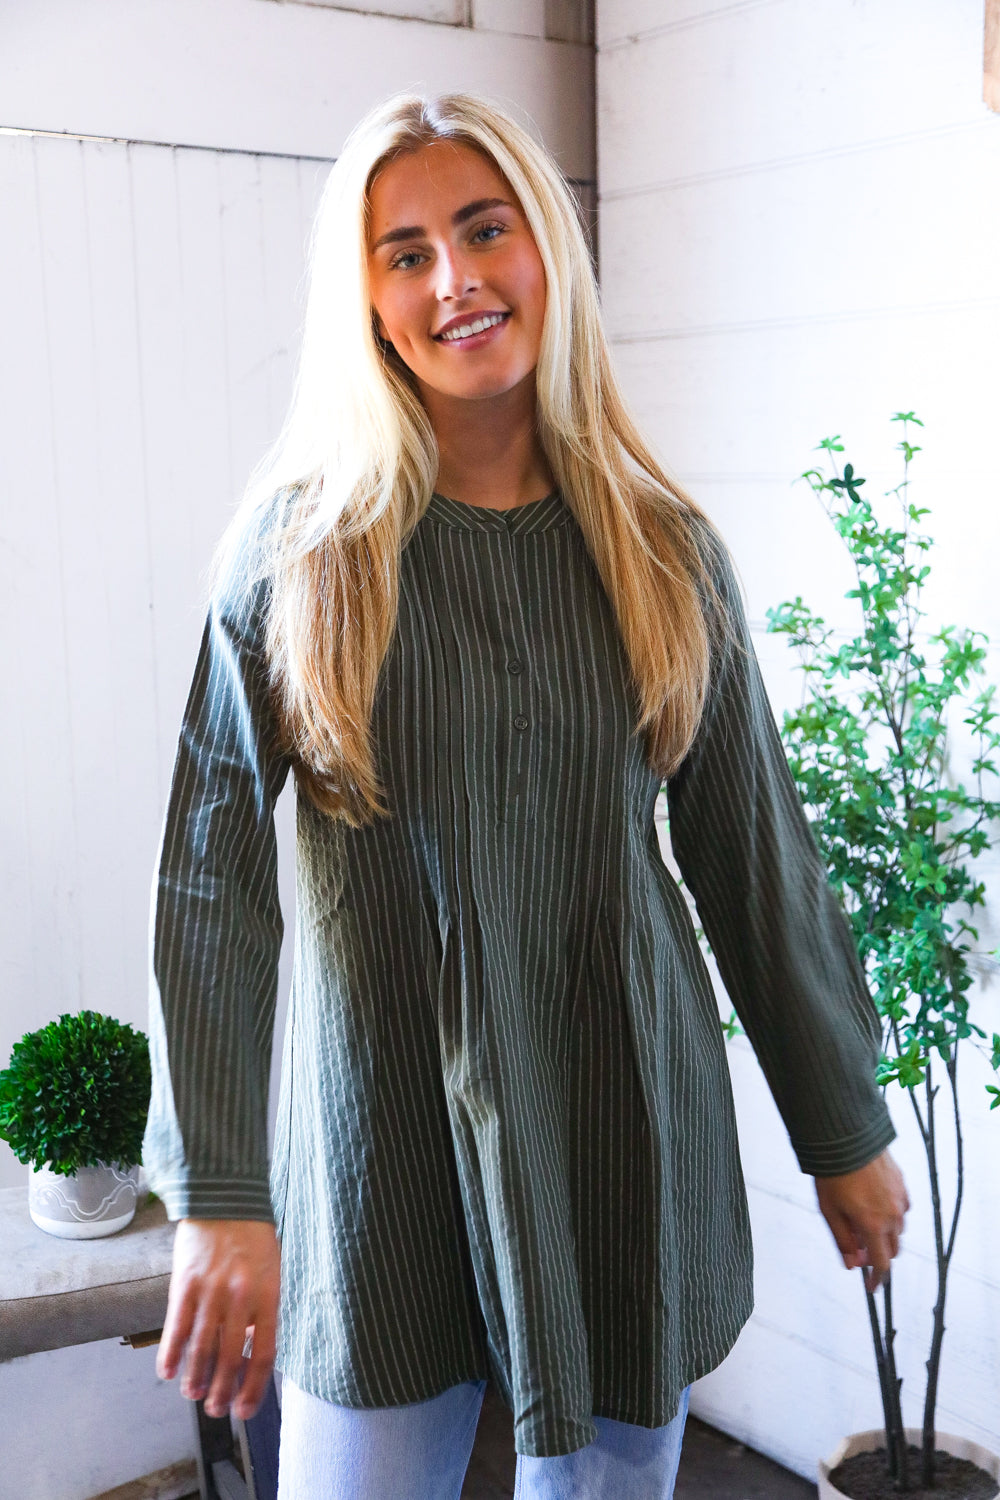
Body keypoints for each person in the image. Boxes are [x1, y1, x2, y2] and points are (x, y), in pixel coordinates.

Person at [144, 91, 910, 1500]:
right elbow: (208, 885)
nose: (457, 281)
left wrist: (842, 1128)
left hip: (622, 1118)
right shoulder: (300, 551)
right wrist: (219, 1192)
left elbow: (753, 857)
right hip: (378, 1142)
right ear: (366, 299)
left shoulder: (662, 548)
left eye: (486, 230)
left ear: (547, 249)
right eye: (406, 250)